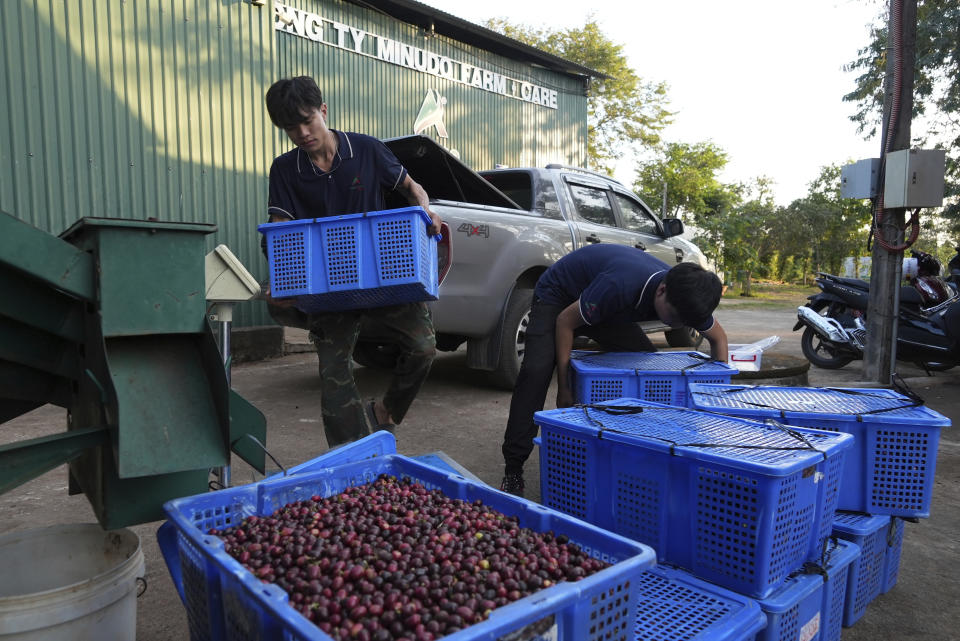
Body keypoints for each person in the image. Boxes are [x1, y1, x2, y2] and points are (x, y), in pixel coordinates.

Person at [263, 76, 442, 448]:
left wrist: (427, 213)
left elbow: (414, 190)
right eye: (290, 127)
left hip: (383, 275)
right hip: (328, 286)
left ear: (323, 112)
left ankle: (386, 413)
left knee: (423, 348)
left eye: (307, 120)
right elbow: (282, 231)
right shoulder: (285, 169)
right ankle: (350, 455)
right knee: (334, 372)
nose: (302, 132)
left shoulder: (367, 150)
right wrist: (281, 280)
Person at [499, 244, 728, 496]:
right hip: (559, 295)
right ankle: (513, 468)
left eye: (684, 322)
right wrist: (564, 388)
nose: (676, 325)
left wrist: (717, 403)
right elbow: (566, 320)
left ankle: (631, 456)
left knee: (647, 367)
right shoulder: (621, 285)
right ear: (662, 290)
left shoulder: (688, 299)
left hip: (605, 306)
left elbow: (719, 339)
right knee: (537, 370)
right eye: (673, 318)